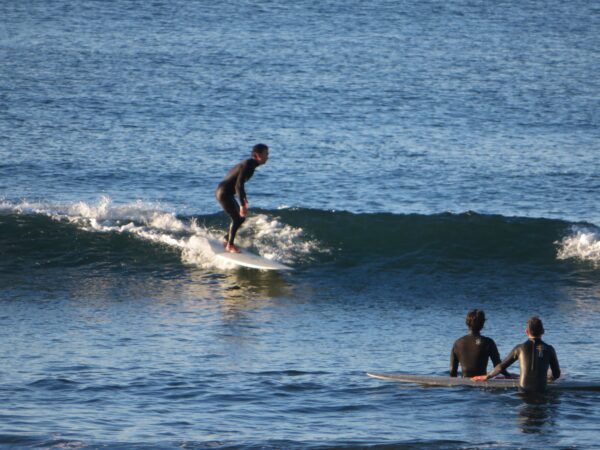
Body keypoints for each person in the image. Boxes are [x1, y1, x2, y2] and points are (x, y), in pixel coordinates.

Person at [472, 316, 561, 393]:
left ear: (526, 332)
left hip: (523, 391)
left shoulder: (519, 348)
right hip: (541, 391)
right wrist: (548, 378)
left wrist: (487, 376)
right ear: (543, 331)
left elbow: (501, 367)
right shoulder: (549, 349)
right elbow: (556, 374)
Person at [215, 144, 269, 253]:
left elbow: (239, 184)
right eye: (266, 154)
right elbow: (238, 185)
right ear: (258, 155)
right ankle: (229, 245)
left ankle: (227, 240)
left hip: (226, 193)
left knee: (240, 218)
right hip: (224, 193)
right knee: (238, 218)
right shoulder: (249, 164)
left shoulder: (250, 164)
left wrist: (244, 199)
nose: (268, 156)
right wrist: (242, 204)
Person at [450, 309, 511, 378]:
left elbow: (452, 371)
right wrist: (510, 376)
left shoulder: (457, 343)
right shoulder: (488, 342)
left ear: (467, 323)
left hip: (463, 383)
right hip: (481, 383)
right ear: (483, 324)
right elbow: (499, 367)